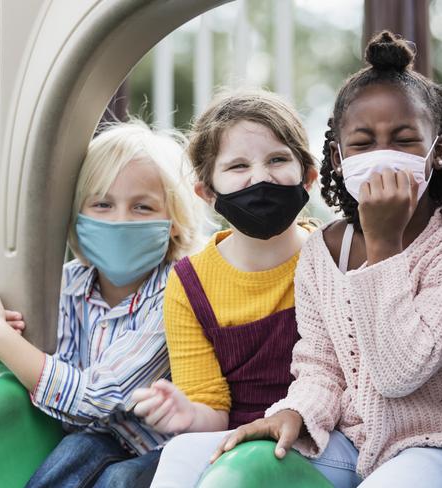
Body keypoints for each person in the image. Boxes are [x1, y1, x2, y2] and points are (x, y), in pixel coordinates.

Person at [211, 31, 442, 488]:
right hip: (348, 442)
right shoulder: (322, 251)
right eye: (363, 143)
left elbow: (400, 372)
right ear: (338, 156)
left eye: (404, 140)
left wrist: (384, 244)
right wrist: (295, 411)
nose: (383, 156)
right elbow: (320, 366)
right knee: (217, 463)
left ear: (439, 152)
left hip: (436, 447)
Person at [131, 89, 362, 487]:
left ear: (308, 177)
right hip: (235, 439)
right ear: (207, 192)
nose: (260, 178)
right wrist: (187, 413)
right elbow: (212, 412)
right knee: (180, 453)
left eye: (277, 160)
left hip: (325, 437)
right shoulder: (190, 284)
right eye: (238, 166)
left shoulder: (337, 255)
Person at [0, 120, 203, 488]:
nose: (120, 220)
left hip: (162, 449)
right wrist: (4, 328)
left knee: (117, 478)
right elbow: (68, 406)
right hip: (94, 440)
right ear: (78, 216)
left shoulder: (177, 291)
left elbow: (97, 397)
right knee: (76, 450)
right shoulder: (69, 285)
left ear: (173, 222)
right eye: (103, 204)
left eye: (142, 207)